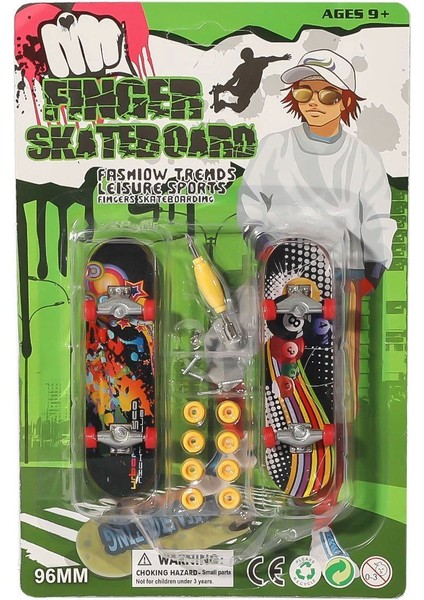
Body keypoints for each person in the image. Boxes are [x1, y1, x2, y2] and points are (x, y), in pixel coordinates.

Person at [238, 49, 396, 291]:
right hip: (282, 264)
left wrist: (371, 276)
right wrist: (263, 246)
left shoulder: (365, 157)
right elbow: (250, 202)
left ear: (346, 101)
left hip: (344, 269)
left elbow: (377, 220)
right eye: (304, 93)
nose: (313, 102)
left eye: (328, 95)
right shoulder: (274, 146)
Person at [211, 47, 291, 114]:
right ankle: (221, 90)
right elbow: (233, 80)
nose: (246, 60)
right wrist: (225, 87)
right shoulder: (244, 66)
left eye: (246, 57)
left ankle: (223, 104)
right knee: (234, 94)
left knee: (239, 108)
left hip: (248, 92)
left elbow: (270, 58)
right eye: (245, 58)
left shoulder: (258, 62)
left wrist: (282, 58)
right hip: (240, 89)